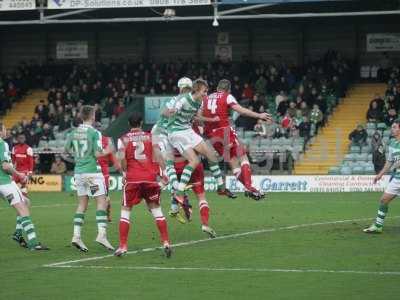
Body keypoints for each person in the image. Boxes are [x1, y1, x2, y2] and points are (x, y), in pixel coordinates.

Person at [166, 79, 235, 204]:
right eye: (204, 91)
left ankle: (221, 188)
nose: (206, 93)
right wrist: (174, 111)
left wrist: (211, 120)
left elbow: (197, 117)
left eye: (207, 91)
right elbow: (176, 108)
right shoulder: (184, 99)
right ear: (196, 90)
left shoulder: (200, 102)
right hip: (176, 132)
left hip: (187, 130)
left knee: (211, 155)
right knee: (194, 161)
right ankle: (179, 193)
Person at [202, 79, 271, 200]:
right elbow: (241, 110)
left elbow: (199, 115)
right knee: (243, 156)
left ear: (217, 88)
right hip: (224, 131)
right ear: (228, 89)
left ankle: (252, 189)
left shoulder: (206, 98)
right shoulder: (227, 96)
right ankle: (249, 187)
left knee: (233, 163)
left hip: (212, 136)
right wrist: (259, 115)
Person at [114, 113, 171, 258]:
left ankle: (123, 246)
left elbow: (122, 159)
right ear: (141, 123)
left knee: (125, 212)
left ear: (129, 124)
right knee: (157, 211)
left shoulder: (122, 140)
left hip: (133, 179)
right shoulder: (152, 137)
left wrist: (125, 173)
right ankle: (165, 242)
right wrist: (165, 173)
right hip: (150, 179)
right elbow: (158, 156)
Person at [65, 105, 114, 252]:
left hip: (78, 172)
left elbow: (66, 150)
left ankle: (76, 236)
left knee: (82, 204)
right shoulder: (95, 133)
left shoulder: (73, 132)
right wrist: (109, 150)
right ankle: (102, 235)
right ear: (92, 116)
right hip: (92, 172)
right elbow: (98, 154)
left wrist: (80, 156)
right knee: (102, 201)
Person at [0, 123, 48, 250]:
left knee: (26, 201)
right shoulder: (3, 144)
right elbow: (5, 166)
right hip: (4, 182)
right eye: (4, 129)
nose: (6, 131)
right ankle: (33, 243)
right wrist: (19, 174)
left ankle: (17, 233)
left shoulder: (24, 148)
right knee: (23, 208)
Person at [364, 120, 400, 233]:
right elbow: (389, 162)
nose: (392, 129)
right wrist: (379, 175)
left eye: (394, 127)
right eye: (392, 127)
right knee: (384, 200)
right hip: (397, 178)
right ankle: (378, 226)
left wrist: (396, 165)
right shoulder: (393, 143)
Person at [95, 122, 121, 223]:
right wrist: (119, 169)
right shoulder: (107, 141)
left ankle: (103, 216)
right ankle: (106, 215)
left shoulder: (90, 140)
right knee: (104, 196)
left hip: (94, 174)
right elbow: (113, 159)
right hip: (102, 174)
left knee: (99, 197)